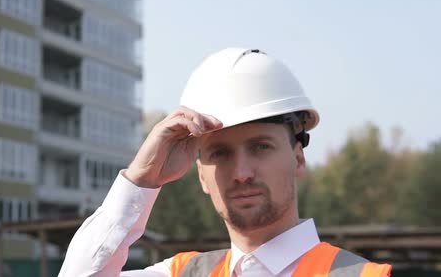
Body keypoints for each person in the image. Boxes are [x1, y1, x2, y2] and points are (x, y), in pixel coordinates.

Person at [58, 48, 392, 276]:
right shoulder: (182, 273)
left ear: (298, 156)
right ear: (201, 176)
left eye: (260, 147)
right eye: (220, 154)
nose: (242, 173)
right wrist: (141, 179)